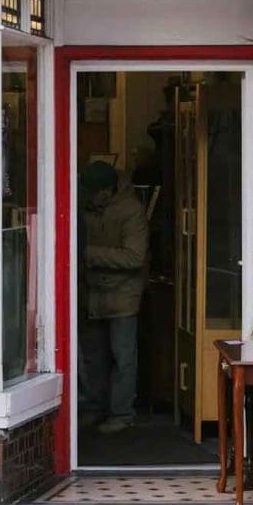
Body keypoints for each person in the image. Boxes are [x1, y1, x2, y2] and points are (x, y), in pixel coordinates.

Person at [77, 160, 150, 435]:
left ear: (106, 191)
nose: (88, 197)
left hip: (122, 295)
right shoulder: (87, 206)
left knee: (122, 357)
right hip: (93, 291)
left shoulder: (131, 211)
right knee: (94, 356)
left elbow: (134, 256)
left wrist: (89, 254)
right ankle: (95, 409)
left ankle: (121, 414)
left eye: (93, 192)